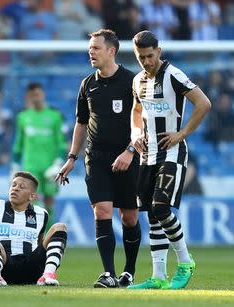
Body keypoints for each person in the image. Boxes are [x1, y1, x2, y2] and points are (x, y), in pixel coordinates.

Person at [56, 29, 141, 288]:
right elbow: (81, 123)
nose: (90, 52)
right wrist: (72, 157)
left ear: (111, 51)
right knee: (102, 211)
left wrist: (130, 150)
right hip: (96, 158)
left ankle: (128, 271)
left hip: (129, 156)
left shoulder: (132, 81)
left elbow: (144, 121)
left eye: (95, 48)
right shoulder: (87, 84)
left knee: (129, 218)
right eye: (89, 48)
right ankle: (108, 273)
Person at [128, 30, 211, 289]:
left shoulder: (173, 75)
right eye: (141, 57)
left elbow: (203, 103)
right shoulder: (137, 80)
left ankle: (185, 262)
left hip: (172, 153)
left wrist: (183, 133)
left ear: (159, 52)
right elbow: (136, 110)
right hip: (147, 155)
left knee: (162, 208)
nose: (146, 62)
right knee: (152, 215)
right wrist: (135, 134)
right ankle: (158, 276)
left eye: (150, 56)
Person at [0, 171, 68, 286]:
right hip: (4, 267)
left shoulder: (41, 214)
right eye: (13, 185)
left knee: (60, 227)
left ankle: (48, 275)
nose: (15, 189)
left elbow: (40, 244)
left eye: (21, 187)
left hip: (31, 270)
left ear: (32, 196)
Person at [13, 82, 66, 230]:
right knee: (32, 199)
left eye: (38, 94)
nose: (36, 97)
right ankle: (36, 234)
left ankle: (49, 234)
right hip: (31, 167)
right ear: (28, 97)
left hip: (50, 167)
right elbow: (18, 143)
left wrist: (58, 163)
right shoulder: (23, 117)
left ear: (43, 94)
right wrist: (15, 165)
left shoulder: (55, 116)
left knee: (49, 199)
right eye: (33, 95)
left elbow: (61, 143)